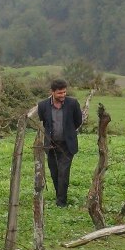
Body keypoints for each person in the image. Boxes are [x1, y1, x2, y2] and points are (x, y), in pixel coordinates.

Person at [37, 79, 83, 207]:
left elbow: (78, 121)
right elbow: (44, 122)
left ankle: (61, 202)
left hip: (67, 145)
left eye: (64, 92)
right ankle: (59, 195)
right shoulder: (43, 105)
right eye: (59, 93)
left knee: (64, 172)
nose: (62, 95)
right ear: (52, 92)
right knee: (54, 172)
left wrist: (68, 131)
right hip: (51, 145)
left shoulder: (72, 104)